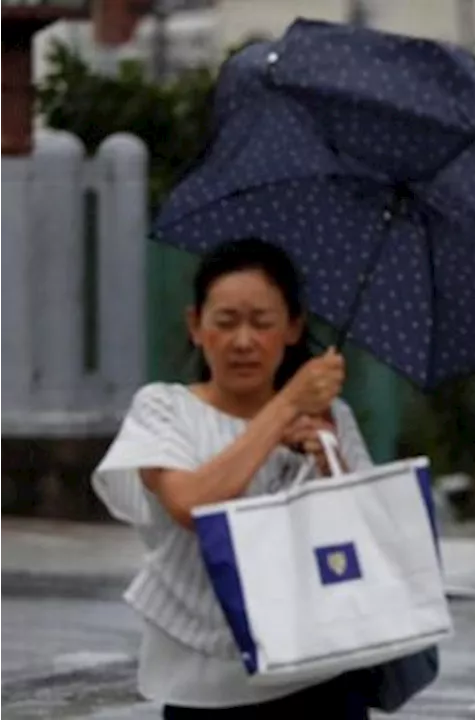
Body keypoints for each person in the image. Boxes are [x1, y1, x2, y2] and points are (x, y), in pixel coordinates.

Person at [92, 238, 373, 718]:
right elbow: (192, 506)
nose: (244, 341)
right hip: (203, 688)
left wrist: (331, 462)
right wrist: (283, 409)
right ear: (196, 326)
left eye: (262, 323)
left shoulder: (330, 417)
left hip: (320, 674)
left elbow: (370, 533)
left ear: (292, 328)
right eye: (226, 322)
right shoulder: (164, 409)